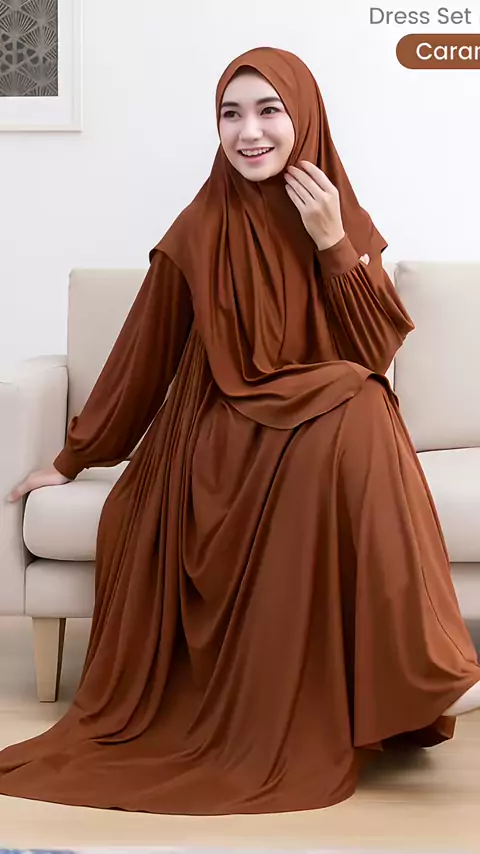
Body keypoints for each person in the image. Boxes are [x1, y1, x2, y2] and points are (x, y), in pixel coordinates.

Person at [1, 46, 480, 816]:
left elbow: (375, 353)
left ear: (305, 118)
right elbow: (143, 354)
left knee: (362, 396)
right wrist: (74, 456)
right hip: (220, 425)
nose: (248, 132)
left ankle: (421, 672)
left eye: (268, 111)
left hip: (314, 418)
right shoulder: (200, 225)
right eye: (231, 114)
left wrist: (332, 241)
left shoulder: (342, 217)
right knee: (358, 402)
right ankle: (430, 669)